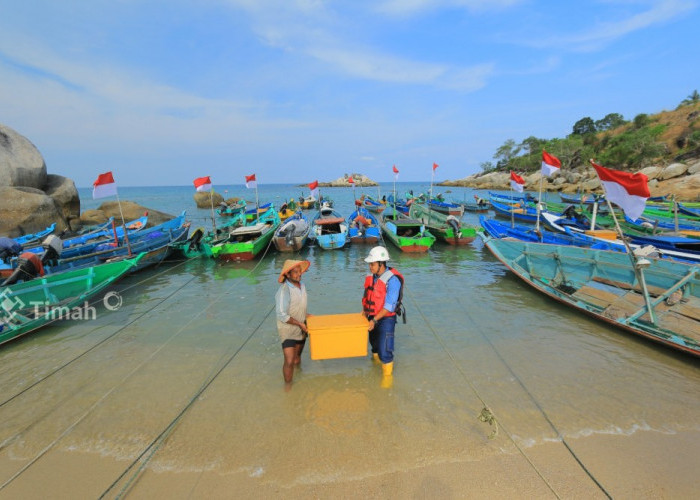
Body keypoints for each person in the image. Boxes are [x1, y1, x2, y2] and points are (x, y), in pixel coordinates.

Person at [361, 246, 404, 379]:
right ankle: (375, 369)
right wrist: (364, 314)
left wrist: (374, 320)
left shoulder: (393, 281)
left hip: (386, 319)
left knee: (385, 350)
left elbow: (389, 307)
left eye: (372, 264)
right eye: (369, 264)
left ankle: (387, 380)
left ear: (381, 263)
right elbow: (367, 295)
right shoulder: (371, 277)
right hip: (372, 316)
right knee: (374, 346)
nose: (370, 267)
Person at [275, 259, 310, 385]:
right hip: (288, 329)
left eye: (299, 271)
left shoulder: (303, 286)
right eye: (295, 272)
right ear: (288, 275)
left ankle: (299, 377)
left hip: (302, 327)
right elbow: (281, 314)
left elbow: (298, 306)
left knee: (297, 358)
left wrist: (306, 316)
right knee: (289, 360)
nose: (299, 274)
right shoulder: (284, 291)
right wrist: (300, 323)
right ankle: (288, 386)